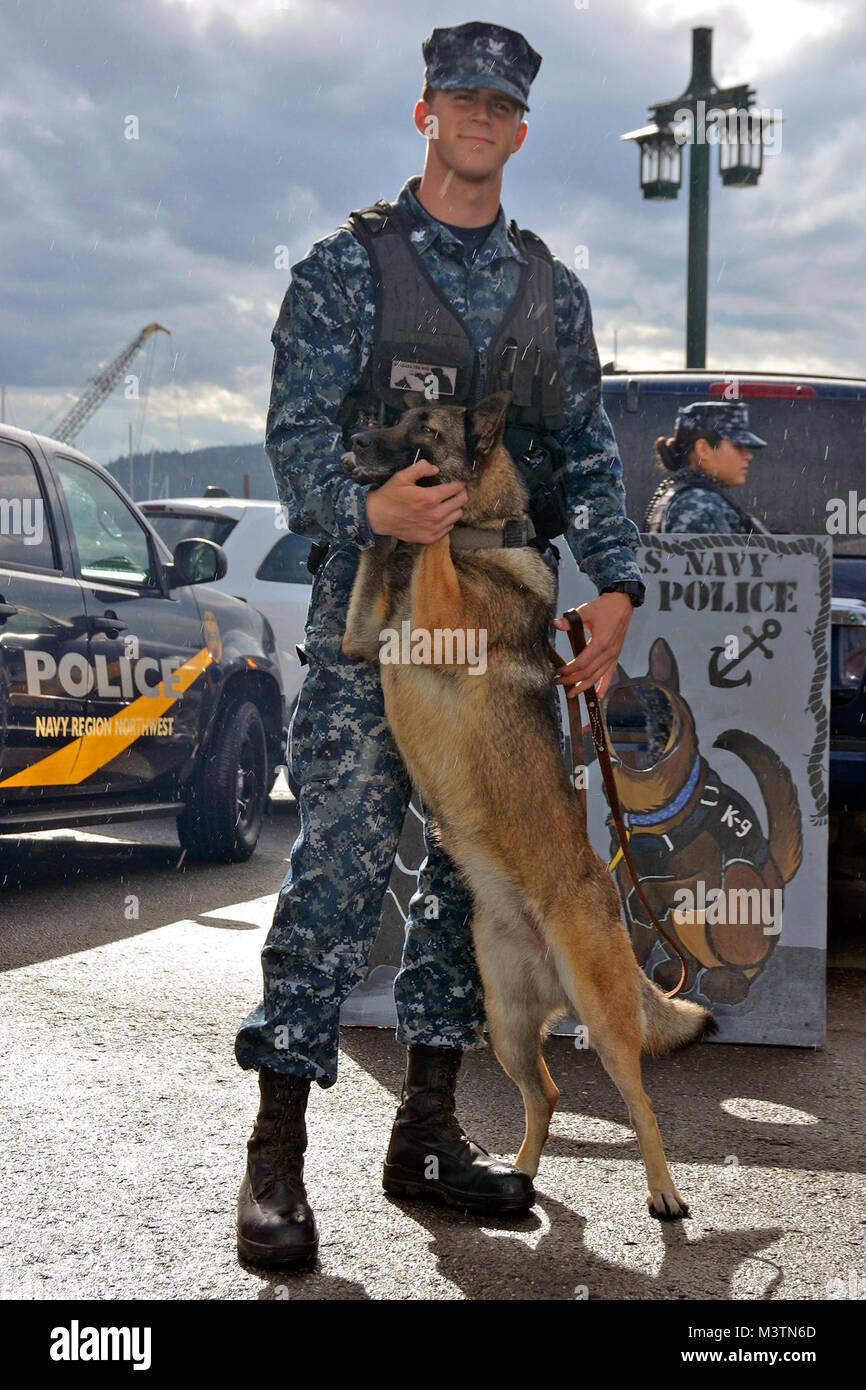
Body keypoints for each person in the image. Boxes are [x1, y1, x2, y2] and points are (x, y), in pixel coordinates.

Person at [234, 20, 646, 1269]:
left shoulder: (548, 290)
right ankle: (276, 1154)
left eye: (501, 105)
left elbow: (586, 452)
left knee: (478, 878)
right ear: (425, 113)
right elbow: (295, 428)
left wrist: (617, 586)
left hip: (503, 627)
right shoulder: (343, 268)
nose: (479, 117)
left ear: (519, 129)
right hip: (375, 614)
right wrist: (362, 504)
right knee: (343, 864)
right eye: (460, 98)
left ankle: (424, 1129)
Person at [644, 399, 769, 534]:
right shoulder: (698, 505)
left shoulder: (689, 496)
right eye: (738, 447)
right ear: (703, 449)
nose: (748, 456)